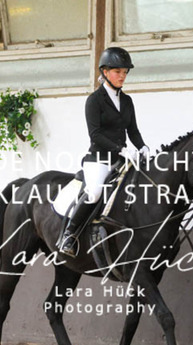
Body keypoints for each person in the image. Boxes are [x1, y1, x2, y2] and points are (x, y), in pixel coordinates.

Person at [58, 47, 150, 257]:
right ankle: (70, 235)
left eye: (125, 72)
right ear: (105, 72)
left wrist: (142, 146)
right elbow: (95, 134)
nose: (122, 76)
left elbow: (133, 131)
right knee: (94, 192)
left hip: (122, 160)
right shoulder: (94, 100)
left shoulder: (126, 101)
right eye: (118, 72)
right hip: (99, 159)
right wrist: (121, 149)